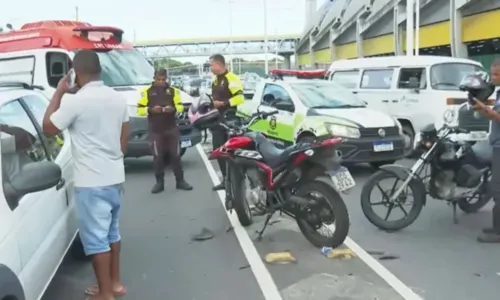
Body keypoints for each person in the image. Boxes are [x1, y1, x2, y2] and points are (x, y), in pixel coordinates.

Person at [42, 49, 128, 300]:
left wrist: (59, 92)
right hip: (115, 177)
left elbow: (48, 128)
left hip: (91, 182)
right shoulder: (117, 98)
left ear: (75, 73)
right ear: (99, 70)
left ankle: (104, 294)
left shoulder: (75, 101)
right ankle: (115, 284)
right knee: (112, 233)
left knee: (95, 240)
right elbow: (123, 140)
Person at [137, 68, 193, 193]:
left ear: (166, 78)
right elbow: (140, 109)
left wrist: (172, 108)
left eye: (163, 79)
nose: (161, 82)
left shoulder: (173, 91)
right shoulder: (146, 92)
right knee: (158, 156)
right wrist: (151, 110)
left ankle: (180, 181)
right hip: (156, 129)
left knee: (175, 155)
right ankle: (159, 183)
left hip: (171, 128)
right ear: (154, 78)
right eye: (159, 79)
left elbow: (179, 106)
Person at [472, 60, 500, 243]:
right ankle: (497, 227)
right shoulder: (498, 93)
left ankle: (498, 233)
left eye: (496, 75)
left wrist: (488, 112)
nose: (492, 78)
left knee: (497, 190)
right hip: (496, 145)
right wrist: (482, 110)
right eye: (492, 74)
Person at [209, 54, 245, 191]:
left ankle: (236, 181)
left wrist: (224, 103)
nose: (210, 67)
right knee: (218, 151)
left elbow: (240, 98)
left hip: (229, 120)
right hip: (217, 120)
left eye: (211, 65)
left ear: (219, 64)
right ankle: (225, 180)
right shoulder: (216, 80)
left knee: (231, 153)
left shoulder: (232, 78)